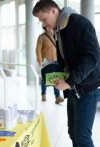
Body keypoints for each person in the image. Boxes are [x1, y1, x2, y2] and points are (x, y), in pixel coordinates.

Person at [33, 0, 100, 146]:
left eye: (43, 19)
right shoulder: (60, 30)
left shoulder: (78, 23)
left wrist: (69, 81)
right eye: (40, 21)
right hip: (74, 87)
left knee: (82, 138)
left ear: (53, 11)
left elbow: (92, 57)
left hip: (87, 88)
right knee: (73, 132)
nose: (43, 24)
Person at [36, 26, 64, 104]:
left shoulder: (55, 36)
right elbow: (38, 50)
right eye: (47, 27)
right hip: (46, 61)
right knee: (45, 78)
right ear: (45, 28)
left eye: (50, 27)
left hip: (56, 60)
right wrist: (40, 61)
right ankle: (43, 94)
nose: (49, 28)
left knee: (56, 78)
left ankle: (57, 97)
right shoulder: (42, 37)